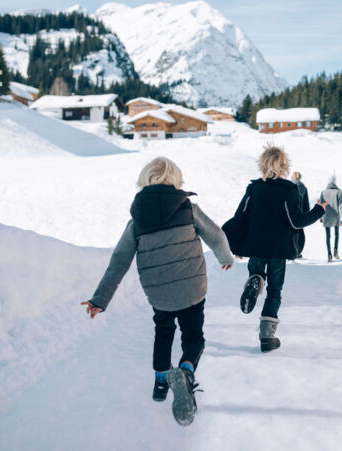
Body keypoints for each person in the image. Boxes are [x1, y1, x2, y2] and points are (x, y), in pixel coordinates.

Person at [81, 157, 233, 426]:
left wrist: (100, 300)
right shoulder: (188, 208)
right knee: (193, 336)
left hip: (159, 292)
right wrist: (225, 258)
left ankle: (161, 381)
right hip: (192, 286)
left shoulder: (136, 220)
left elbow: (119, 262)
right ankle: (186, 371)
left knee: (163, 331)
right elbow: (217, 236)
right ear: (176, 179)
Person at [222, 146, 327, 352]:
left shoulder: (254, 189)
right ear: (284, 166)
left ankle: (255, 280)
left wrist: (234, 243)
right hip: (279, 249)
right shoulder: (289, 190)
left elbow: (240, 216)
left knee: (257, 272)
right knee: (275, 290)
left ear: (263, 164)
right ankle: (267, 336)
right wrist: (318, 209)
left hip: (256, 246)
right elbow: (296, 221)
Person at [320, 176, 342, 262]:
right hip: (336, 216)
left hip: (326, 216)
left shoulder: (323, 192)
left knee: (328, 236)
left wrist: (320, 217)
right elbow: (341, 205)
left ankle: (329, 254)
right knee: (336, 234)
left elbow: (321, 205)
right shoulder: (338, 191)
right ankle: (335, 251)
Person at [290, 171, 310, 258]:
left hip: (289, 214)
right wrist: (306, 215)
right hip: (300, 215)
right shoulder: (303, 188)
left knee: (289, 234)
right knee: (299, 234)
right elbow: (306, 204)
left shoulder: (288, 186)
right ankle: (297, 252)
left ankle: (289, 252)